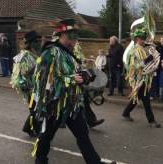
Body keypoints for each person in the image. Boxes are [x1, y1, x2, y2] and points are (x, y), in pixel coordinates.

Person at [30, 19, 108, 164]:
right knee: (46, 136)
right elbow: (43, 81)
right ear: (62, 35)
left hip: (72, 104)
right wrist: (71, 79)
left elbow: (72, 73)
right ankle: (40, 161)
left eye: (76, 36)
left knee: (83, 134)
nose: (75, 39)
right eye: (71, 36)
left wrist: (84, 73)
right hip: (55, 105)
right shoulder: (50, 52)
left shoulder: (68, 53)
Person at [122, 29, 161, 128]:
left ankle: (126, 113)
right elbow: (133, 66)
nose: (145, 40)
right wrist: (147, 60)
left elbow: (148, 62)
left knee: (139, 97)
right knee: (146, 98)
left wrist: (153, 57)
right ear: (138, 39)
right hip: (138, 79)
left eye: (145, 38)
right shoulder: (133, 51)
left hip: (144, 77)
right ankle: (151, 121)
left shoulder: (143, 49)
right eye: (143, 38)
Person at [10, 31, 41, 137]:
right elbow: (21, 75)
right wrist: (29, 87)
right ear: (31, 43)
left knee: (36, 109)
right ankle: (34, 130)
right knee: (35, 109)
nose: (39, 43)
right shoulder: (24, 56)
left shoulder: (35, 54)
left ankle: (28, 128)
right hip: (29, 88)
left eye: (40, 40)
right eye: (37, 41)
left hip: (37, 87)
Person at [73, 42, 105, 129]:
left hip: (78, 79)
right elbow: (76, 60)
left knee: (84, 100)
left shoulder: (75, 45)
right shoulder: (65, 49)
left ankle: (91, 121)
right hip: (71, 81)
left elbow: (79, 59)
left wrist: (86, 60)